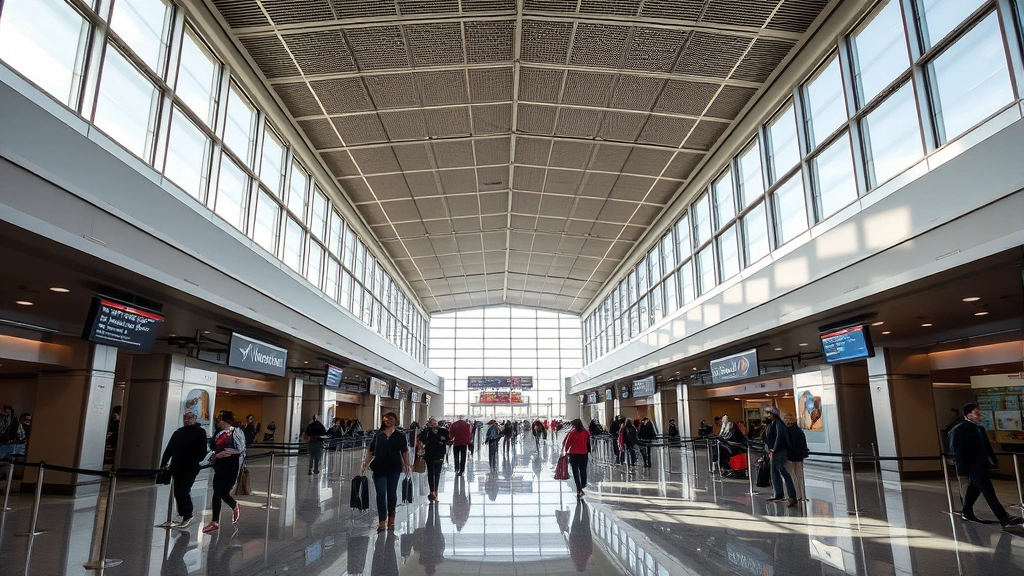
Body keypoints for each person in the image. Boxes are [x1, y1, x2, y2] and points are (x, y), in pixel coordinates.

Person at [949, 403, 1024, 528]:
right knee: (988, 492)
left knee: (974, 489)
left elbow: (987, 448)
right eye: (976, 413)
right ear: (968, 415)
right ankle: (1004, 518)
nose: (979, 415)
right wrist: (961, 467)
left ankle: (966, 511)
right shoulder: (961, 429)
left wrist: (994, 461)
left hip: (981, 465)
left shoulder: (979, 428)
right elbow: (958, 450)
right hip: (973, 466)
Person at [361, 411, 411, 532]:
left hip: (394, 467)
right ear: (383, 421)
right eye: (386, 419)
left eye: (391, 419)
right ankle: (382, 520)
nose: (388, 421)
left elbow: (404, 451)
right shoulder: (378, 435)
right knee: (381, 493)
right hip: (379, 467)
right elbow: (371, 450)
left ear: (395, 421)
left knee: (392, 493)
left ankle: (391, 516)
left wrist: (407, 464)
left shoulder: (400, 436)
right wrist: (365, 463)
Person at [160, 411, 209, 528]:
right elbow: (170, 448)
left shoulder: (200, 432)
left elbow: (202, 450)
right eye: (185, 418)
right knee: (177, 491)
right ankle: (182, 513)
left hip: (191, 467)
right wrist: (164, 463)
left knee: (184, 489)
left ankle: (188, 513)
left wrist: (195, 459)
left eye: (190, 418)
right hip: (176, 466)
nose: (187, 420)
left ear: (195, 418)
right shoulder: (178, 433)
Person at [202, 411, 246, 533]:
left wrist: (229, 452)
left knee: (223, 492)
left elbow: (241, 449)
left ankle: (234, 506)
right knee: (217, 492)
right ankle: (215, 521)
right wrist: (216, 455)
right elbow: (212, 448)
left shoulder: (237, 432)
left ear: (224, 420)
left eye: (220, 420)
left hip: (232, 466)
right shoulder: (218, 433)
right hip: (219, 466)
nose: (218, 422)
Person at [763, 406, 797, 507]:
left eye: (770, 414)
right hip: (773, 452)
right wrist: (769, 449)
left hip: (780, 452)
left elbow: (780, 437)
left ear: (774, 414)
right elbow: (767, 437)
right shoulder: (771, 425)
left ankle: (792, 496)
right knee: (774, 473)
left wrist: (774, 449)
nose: (768, 416)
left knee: (784, 473)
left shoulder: (779, 424)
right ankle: (778, 494)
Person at [418, 417, 449, 501]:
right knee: (431, 473)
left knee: (437, 473)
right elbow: (422, 440)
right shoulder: (426, 431)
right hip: (429, 455)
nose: (433, 424)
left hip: (440, 454)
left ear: (437, 422)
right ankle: (432, 491)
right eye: (431, 423)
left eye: (434, 422)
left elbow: (447, 440)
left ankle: (435, 490)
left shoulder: (444, 431)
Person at [563, 418, 591, 499]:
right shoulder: (586, 432)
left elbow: (568, 443)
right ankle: (583, 484)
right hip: (583, 454)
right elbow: (588, 443)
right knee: (583, 470)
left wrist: (566, 451)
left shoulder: (572, 433)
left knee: (575, 473)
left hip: (574, 454)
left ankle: (579, 489)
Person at [783, 412, 808, 501]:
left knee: (792, 475)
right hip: (799, 455)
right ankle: (803, 495)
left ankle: (796, 494)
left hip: (791, 456)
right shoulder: (799, 430)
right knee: (800, 476)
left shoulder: (788, 431)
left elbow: (787, 444)